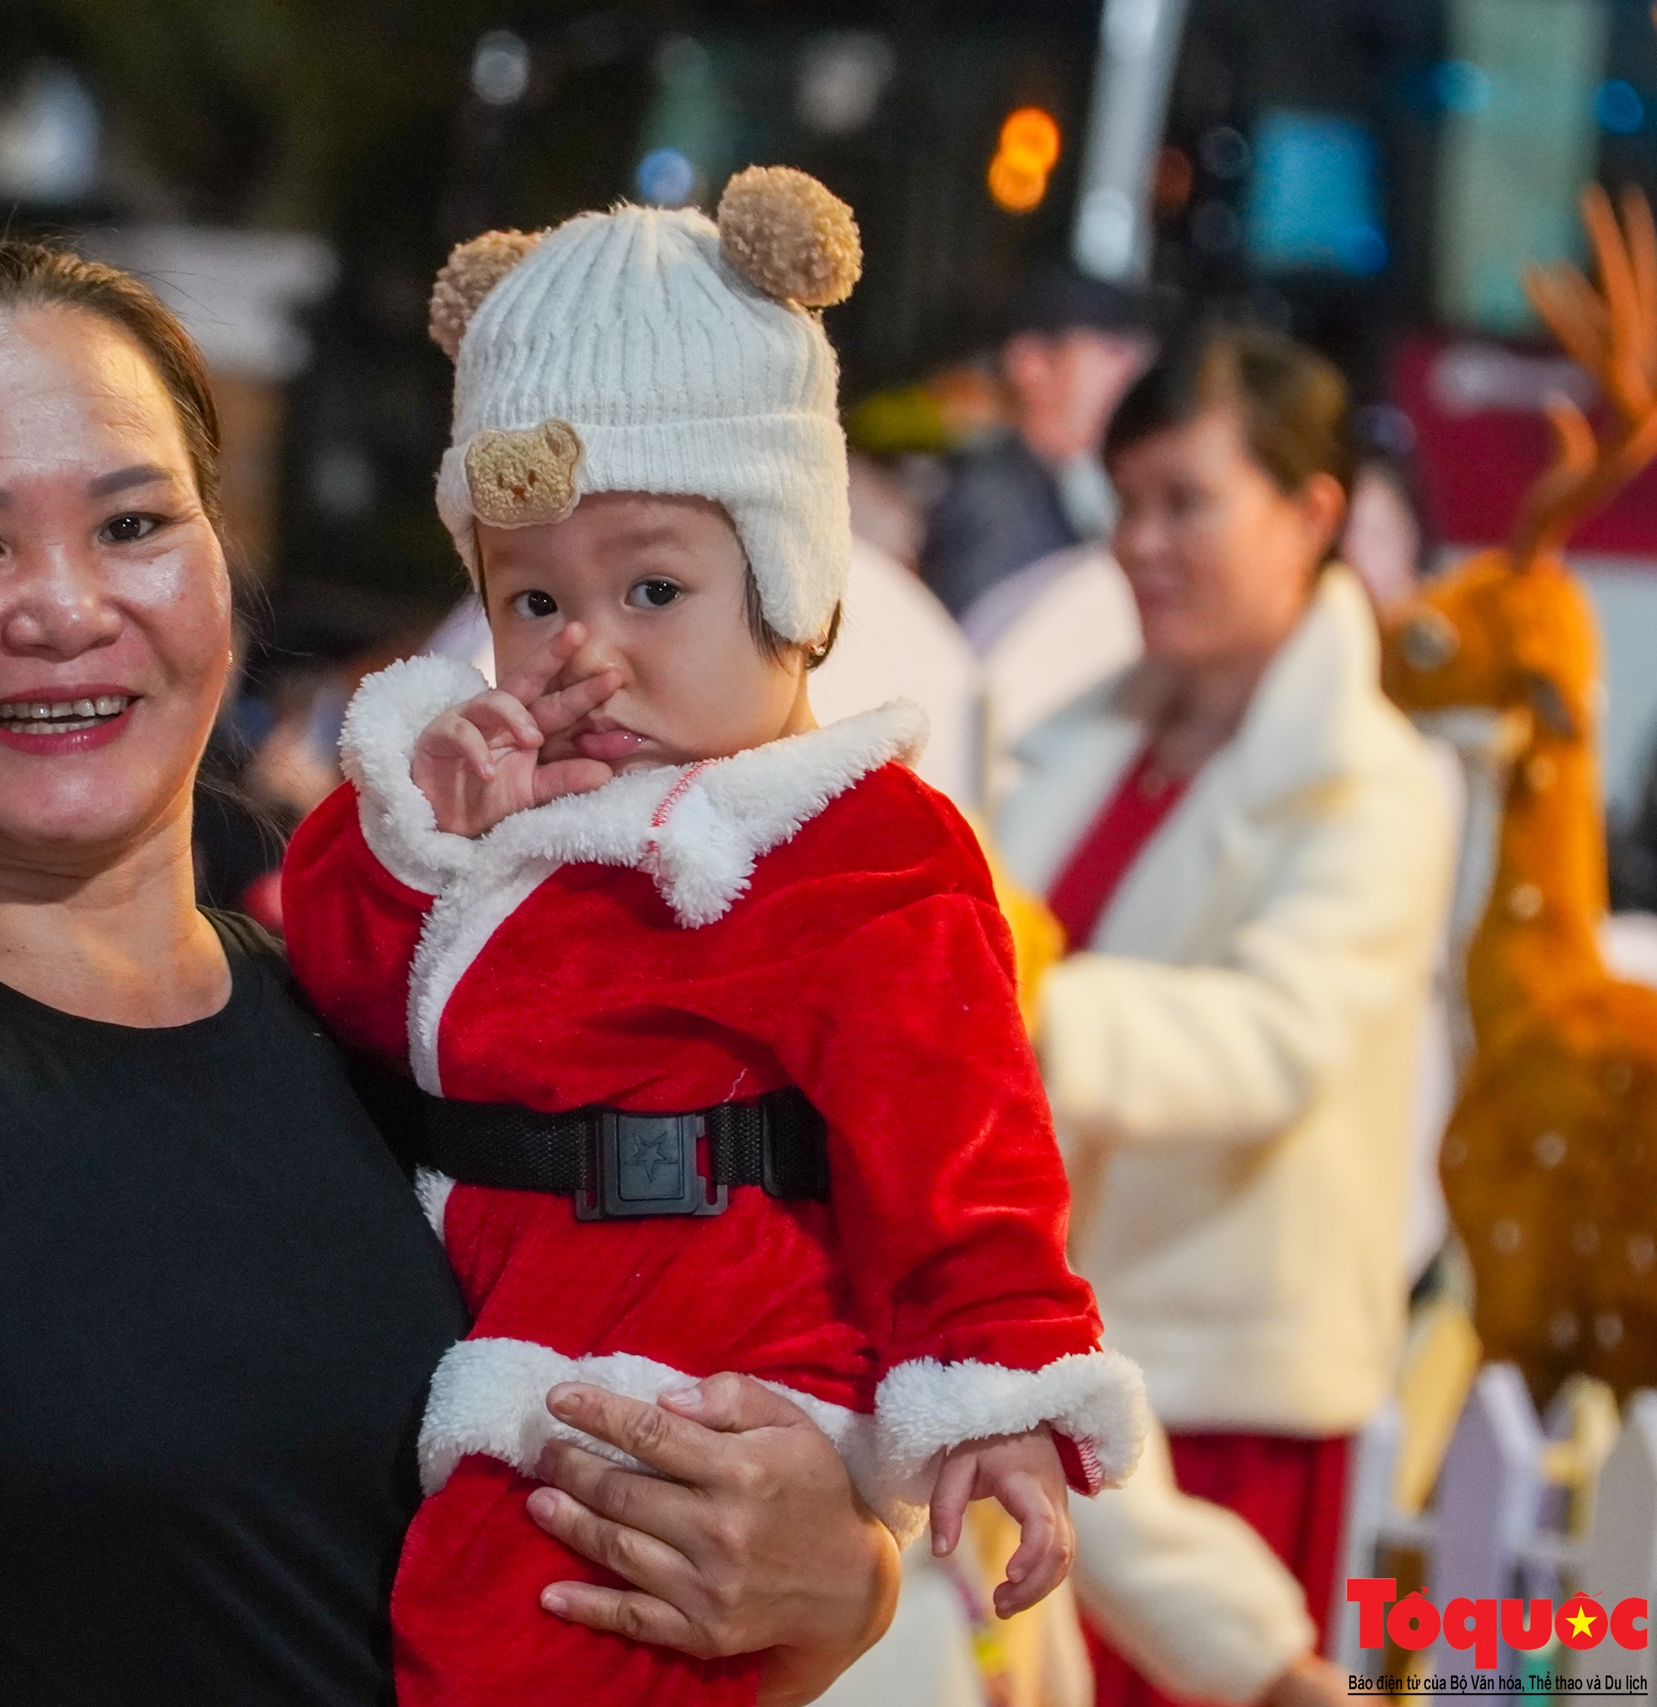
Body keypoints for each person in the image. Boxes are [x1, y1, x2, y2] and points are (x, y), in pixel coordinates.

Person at [0, 238, 902, 1707]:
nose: (63, 606)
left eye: (131, 523)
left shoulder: (400, 1019)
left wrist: (833, 1583)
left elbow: (630, 1484)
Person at [282, 170, 1143, 1707]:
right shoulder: (509, 802)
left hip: (688, 1374)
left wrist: (1003, 1374)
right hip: (497, 1327)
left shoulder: (863, 846)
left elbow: (967, 1150)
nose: (582, 648)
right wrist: (423, 831)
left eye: (656, 584)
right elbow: (344, 987)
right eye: (531, 593)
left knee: (517, 1638)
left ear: (794, 579)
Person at [994, 331, 1454, 1706]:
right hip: (1058, 1350)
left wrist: (1019, 1002)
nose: (1139, 543)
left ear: (1314, 513)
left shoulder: (1374, 780)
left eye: (1184, 500)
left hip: (1217, 1390)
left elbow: (1275, 1039)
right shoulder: (1093, 740)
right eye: (1124, 501)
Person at [920, 269, 1154, 632]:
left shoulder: (1069, 485)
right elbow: (994, 659)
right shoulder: (993, 502)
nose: (1132, 373)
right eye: (1111, 349)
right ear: (1031, 363)